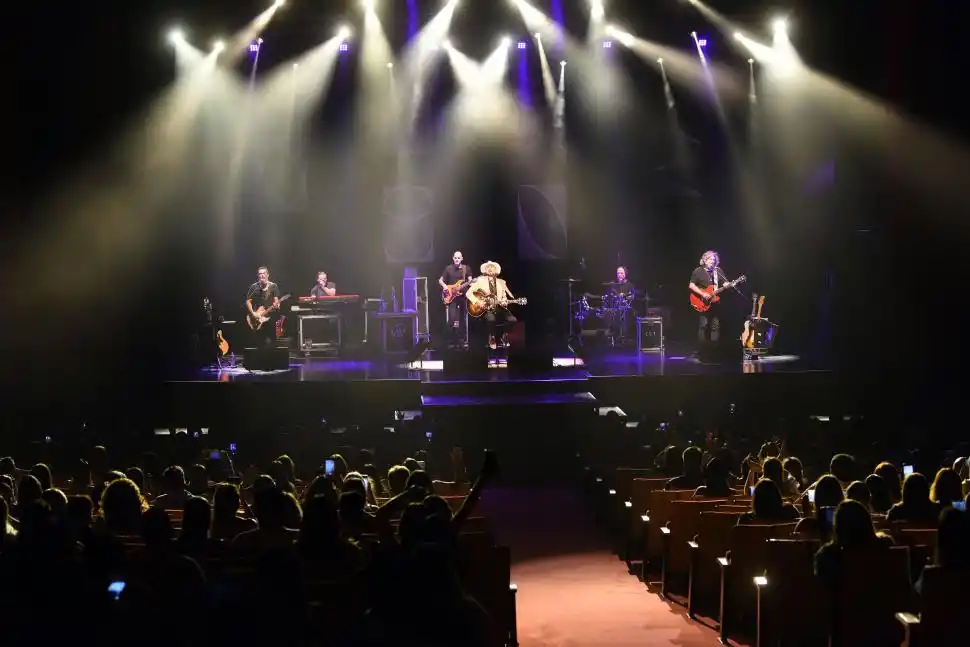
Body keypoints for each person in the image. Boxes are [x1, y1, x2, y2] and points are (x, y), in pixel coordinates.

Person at [688, 250, 738, 362]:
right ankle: (702, 351)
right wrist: (702, 294)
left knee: (715, 327)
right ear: (704, 260)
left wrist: (729, 285)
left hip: (715, 303)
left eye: (714, 260)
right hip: (702, 302)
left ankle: (714, 351)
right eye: (710, 259)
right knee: (703, 326)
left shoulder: (718, 271)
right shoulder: (698, 271)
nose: (712, 261)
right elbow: (691, 285)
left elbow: (724, 283)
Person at [467, 261, 517, 350]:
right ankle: (492, 337)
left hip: (499, 307)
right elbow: (468, 293)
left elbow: (504, 297)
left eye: (492, 267)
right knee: (491, 319)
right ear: (485, 270)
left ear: (496, 270)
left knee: (512, 320)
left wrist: (505, 302)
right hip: (486, 308)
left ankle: (503, 336)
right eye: (488, 267)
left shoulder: (501, 283)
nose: (490, 269)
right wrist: (477, 302)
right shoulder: (480, 281)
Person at [438, 251, 471, 348]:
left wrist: (472, 282)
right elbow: (440, 280)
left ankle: (462, 339)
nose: (457, 259)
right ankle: (452, 339)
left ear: (462, 258)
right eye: (455, 258)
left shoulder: (466, 268)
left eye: (458, 258)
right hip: (452, 298)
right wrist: (445, 286)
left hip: (463, 297)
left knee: (462, 319)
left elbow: (470, 280)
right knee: (452, 318)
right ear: (453, 258)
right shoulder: (448, 268)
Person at [246, 266, 282, 347]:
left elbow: (276, 300)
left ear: (268, 275)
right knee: (258, 342)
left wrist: (277, 304)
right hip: (257, 318)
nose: (262, 275)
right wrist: (253, 313)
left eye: (264, 273)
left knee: (271, 342)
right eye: (260, 274)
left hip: (269, 317)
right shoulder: (254, 287)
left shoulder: (273, 286)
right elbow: (248, 301)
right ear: (258, 275)